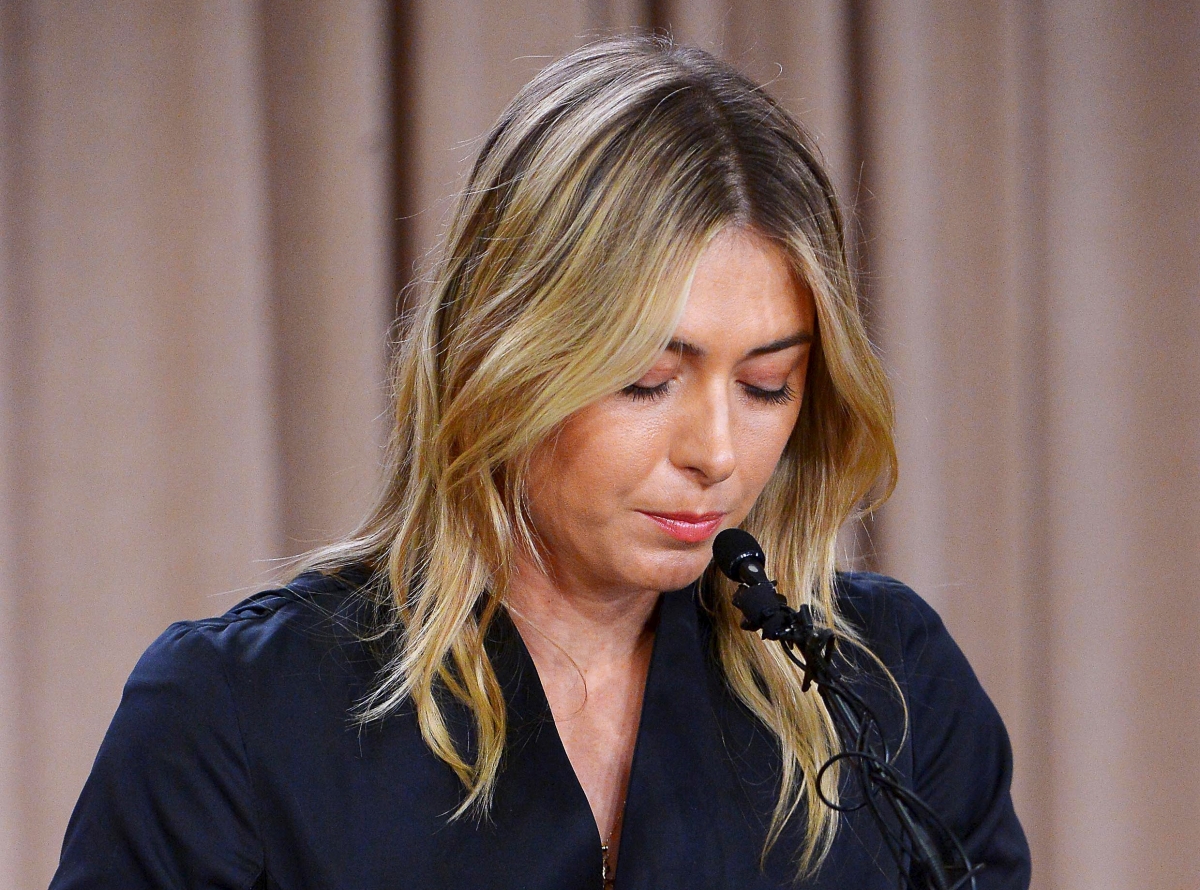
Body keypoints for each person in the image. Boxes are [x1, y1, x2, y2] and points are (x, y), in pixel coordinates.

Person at [50, 36, 1030, 890]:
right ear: (500, 357)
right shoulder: (232, 716)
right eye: (647, 381)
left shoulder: (889, 689)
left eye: (767, 385)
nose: (717, 453)